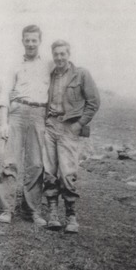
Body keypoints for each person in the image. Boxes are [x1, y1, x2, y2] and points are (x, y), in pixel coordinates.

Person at [0, 25, 52, 226]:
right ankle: (7, 209)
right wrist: (4, 122)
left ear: (39, 41)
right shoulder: (15, 65)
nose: (30, 44)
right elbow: (5, 94)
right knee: (10, 162)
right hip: (18, 113)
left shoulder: (49, 65)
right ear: (23, 41)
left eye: (34, 40)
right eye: (27, 40)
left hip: (39, 115)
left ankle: (32, 211)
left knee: (36, 164)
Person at [43, 40, 100, 233]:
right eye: (56, 54)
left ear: (69, 54)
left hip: (69, 128)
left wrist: (79, 124)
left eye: (62, 54)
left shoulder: (81, 74)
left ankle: (71, 216)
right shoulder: (50, 75)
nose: (59, 57)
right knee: (50, 171)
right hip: (50, 125)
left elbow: (93, 102)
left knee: (67, 173)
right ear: (53, 55)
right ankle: (52, 214)